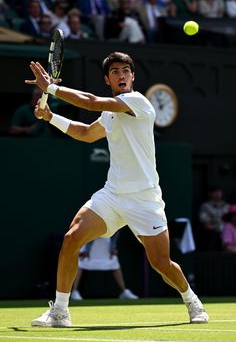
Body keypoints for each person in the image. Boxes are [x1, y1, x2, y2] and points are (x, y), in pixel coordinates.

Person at [25, 51, 209, 327]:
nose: (121, 75)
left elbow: (90, 101)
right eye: (115, 72)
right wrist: (51, 117)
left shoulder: (138, 102)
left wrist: (51, 88)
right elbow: (87, 133)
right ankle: (60, 312)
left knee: (161, 263)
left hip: (145, 199)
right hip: (112, 195)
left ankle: (191, 300)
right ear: (107, 79)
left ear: (133, 76)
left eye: (125, 70)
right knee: (71, 239)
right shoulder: (110, 115)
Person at [71, 233, 139, 300]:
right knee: (80, 264)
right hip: (89, 242)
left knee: (115, 263)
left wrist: (113, 247)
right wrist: (87, 249)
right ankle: (74, 292)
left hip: (106, 244)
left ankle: (124, 291)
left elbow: (116, 232)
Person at [199, 185, 229, 251]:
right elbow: (205, 223)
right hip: (213, 233)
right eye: (215, 192)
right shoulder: (205, 206)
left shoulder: (226, 206)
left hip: (227, 232)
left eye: (219, 192)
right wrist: (217, 227)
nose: (218, 194)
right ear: (210, 194)